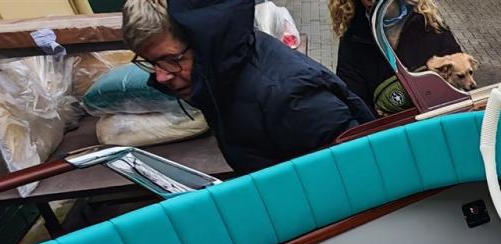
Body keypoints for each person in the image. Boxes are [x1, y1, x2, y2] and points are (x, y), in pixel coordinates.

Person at [122, 0, 374, 173]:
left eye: (171, 60)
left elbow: (358, 173)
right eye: (151, 63)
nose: (161, 76)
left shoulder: (291, 97)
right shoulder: (221, 76)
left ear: (209, 44)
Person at [330, 0, 471, 113]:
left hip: (439, 120)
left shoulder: (428, 21)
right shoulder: (353, 37)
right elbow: (354, 102)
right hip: (390, 132)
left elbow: (460, 82)